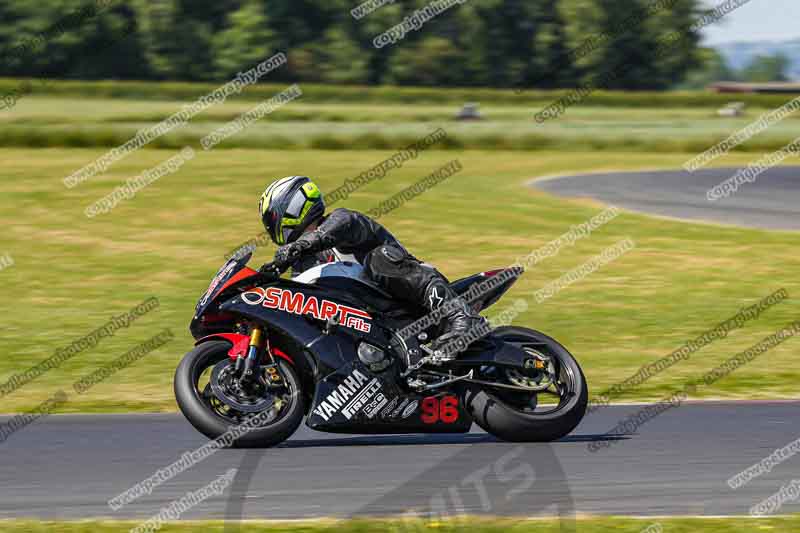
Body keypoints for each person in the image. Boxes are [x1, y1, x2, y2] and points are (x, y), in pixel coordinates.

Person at [257, 175, 484, 356]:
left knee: (380, 260)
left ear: (292, 208)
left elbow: (330, 232)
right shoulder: (304, 264)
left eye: (272, 217)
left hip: (411, 298)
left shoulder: (341, 221)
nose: (270, 225)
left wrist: (299, 246)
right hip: (376, 328)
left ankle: (461, 316)